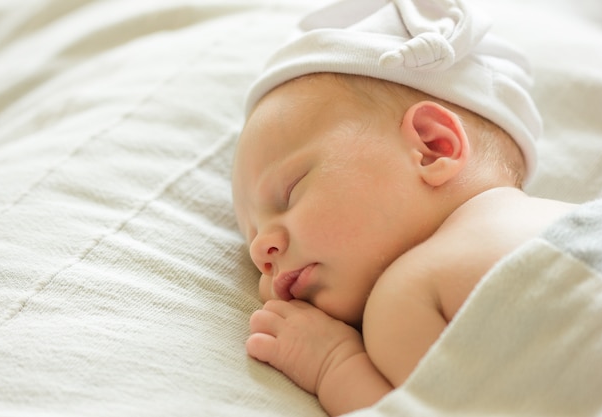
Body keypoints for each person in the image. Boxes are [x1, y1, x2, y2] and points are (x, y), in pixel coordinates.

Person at [231, 0, 579, 415]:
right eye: (251, 235)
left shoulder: (407, 294)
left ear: (433, 148)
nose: (259, 252)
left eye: (289, 193)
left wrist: (333, 366)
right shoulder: (568, 216)